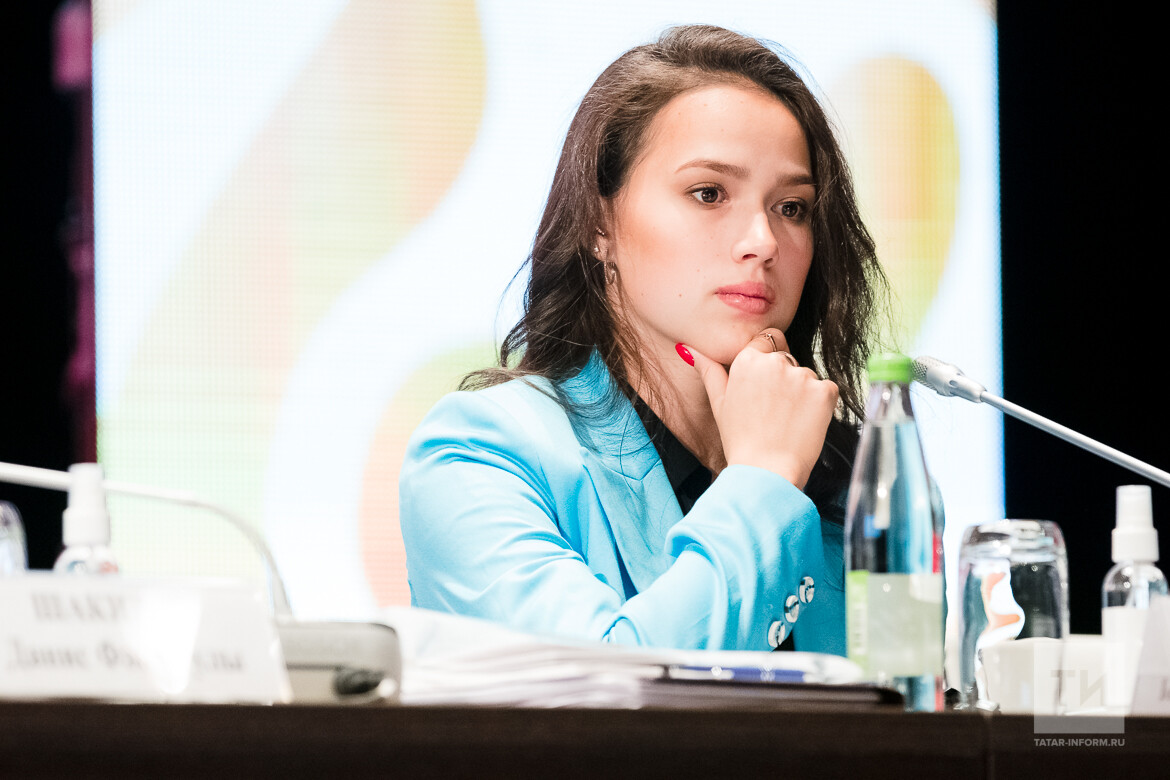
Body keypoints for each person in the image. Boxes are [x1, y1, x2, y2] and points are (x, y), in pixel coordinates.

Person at [399, 24, 886, 653]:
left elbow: (914, 693)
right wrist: (764, 480)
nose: (763, 242)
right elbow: (604, 691)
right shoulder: (477, 454)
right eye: (709, 193)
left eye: (791, 207)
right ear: (600, 223)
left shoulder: (858, 482)